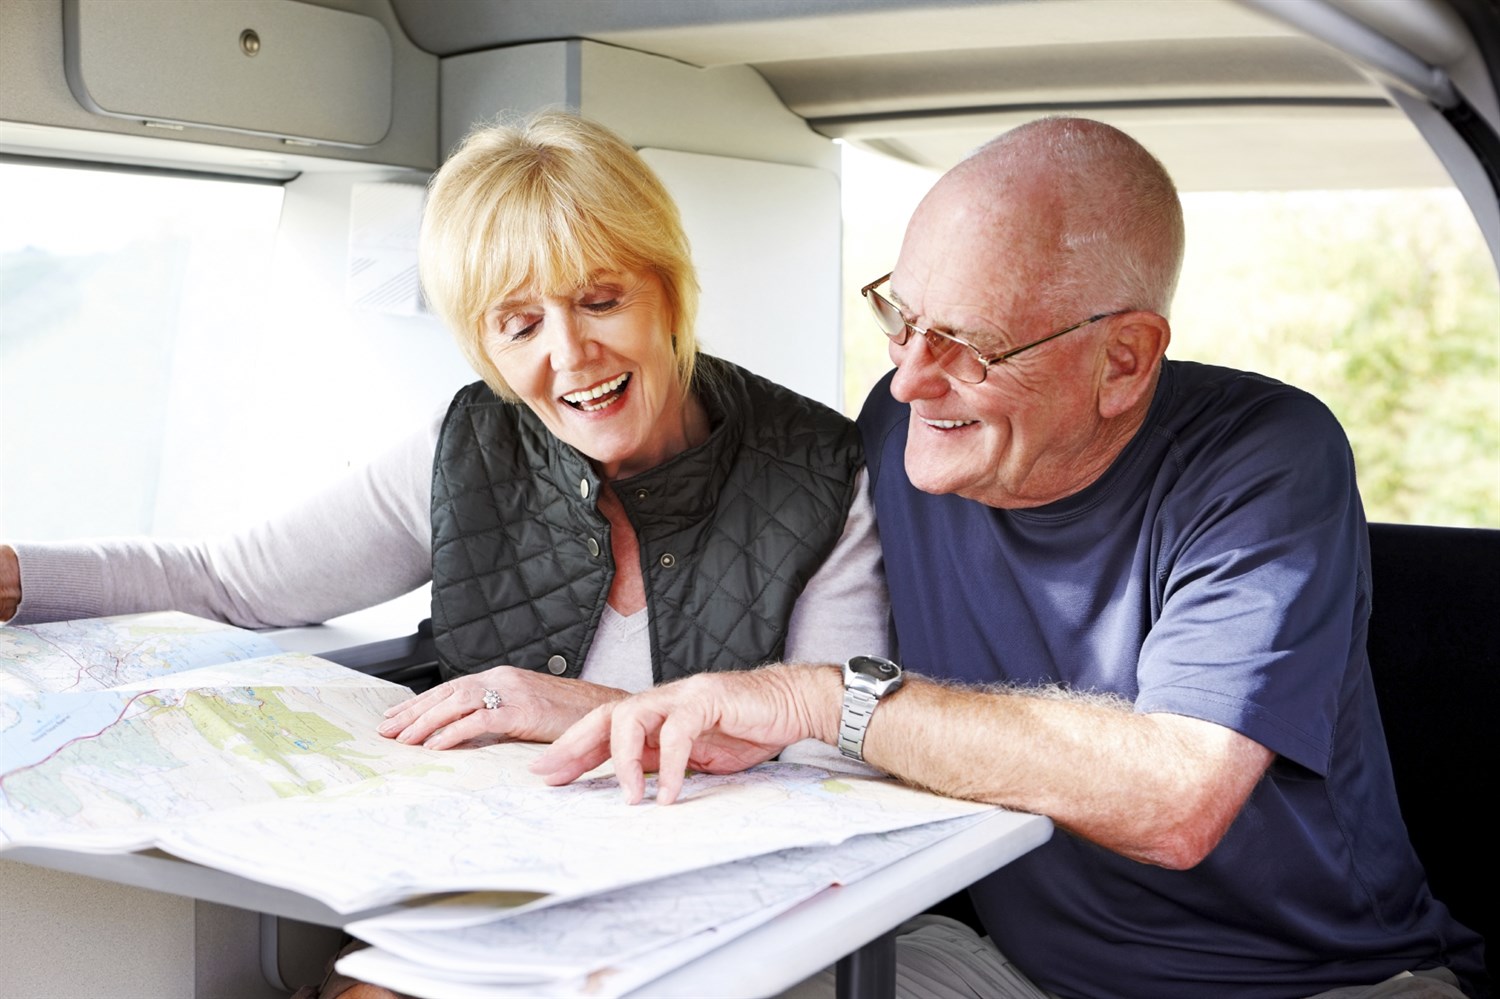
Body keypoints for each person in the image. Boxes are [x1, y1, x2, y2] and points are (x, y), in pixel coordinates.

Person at [533, 116, 1488, 999]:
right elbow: (766, 702)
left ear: (1124, 360)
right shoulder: (904, 434)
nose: (909, 378)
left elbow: (1177, 798)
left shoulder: (1266, 457)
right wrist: (578, 711)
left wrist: (832, 699)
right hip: (1017, 973)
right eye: (901, 317)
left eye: (968, 344)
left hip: (1322, 984)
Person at [0, 110, 888, 997]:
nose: (570, 354)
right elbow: (229, 580)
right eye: (520, 324)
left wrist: (573, 708)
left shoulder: (820, 472)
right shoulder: (468, 445)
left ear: (669, 289)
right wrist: (14, 575)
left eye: (601, 300)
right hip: (475, 916)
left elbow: (838, 777)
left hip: (711, 931)